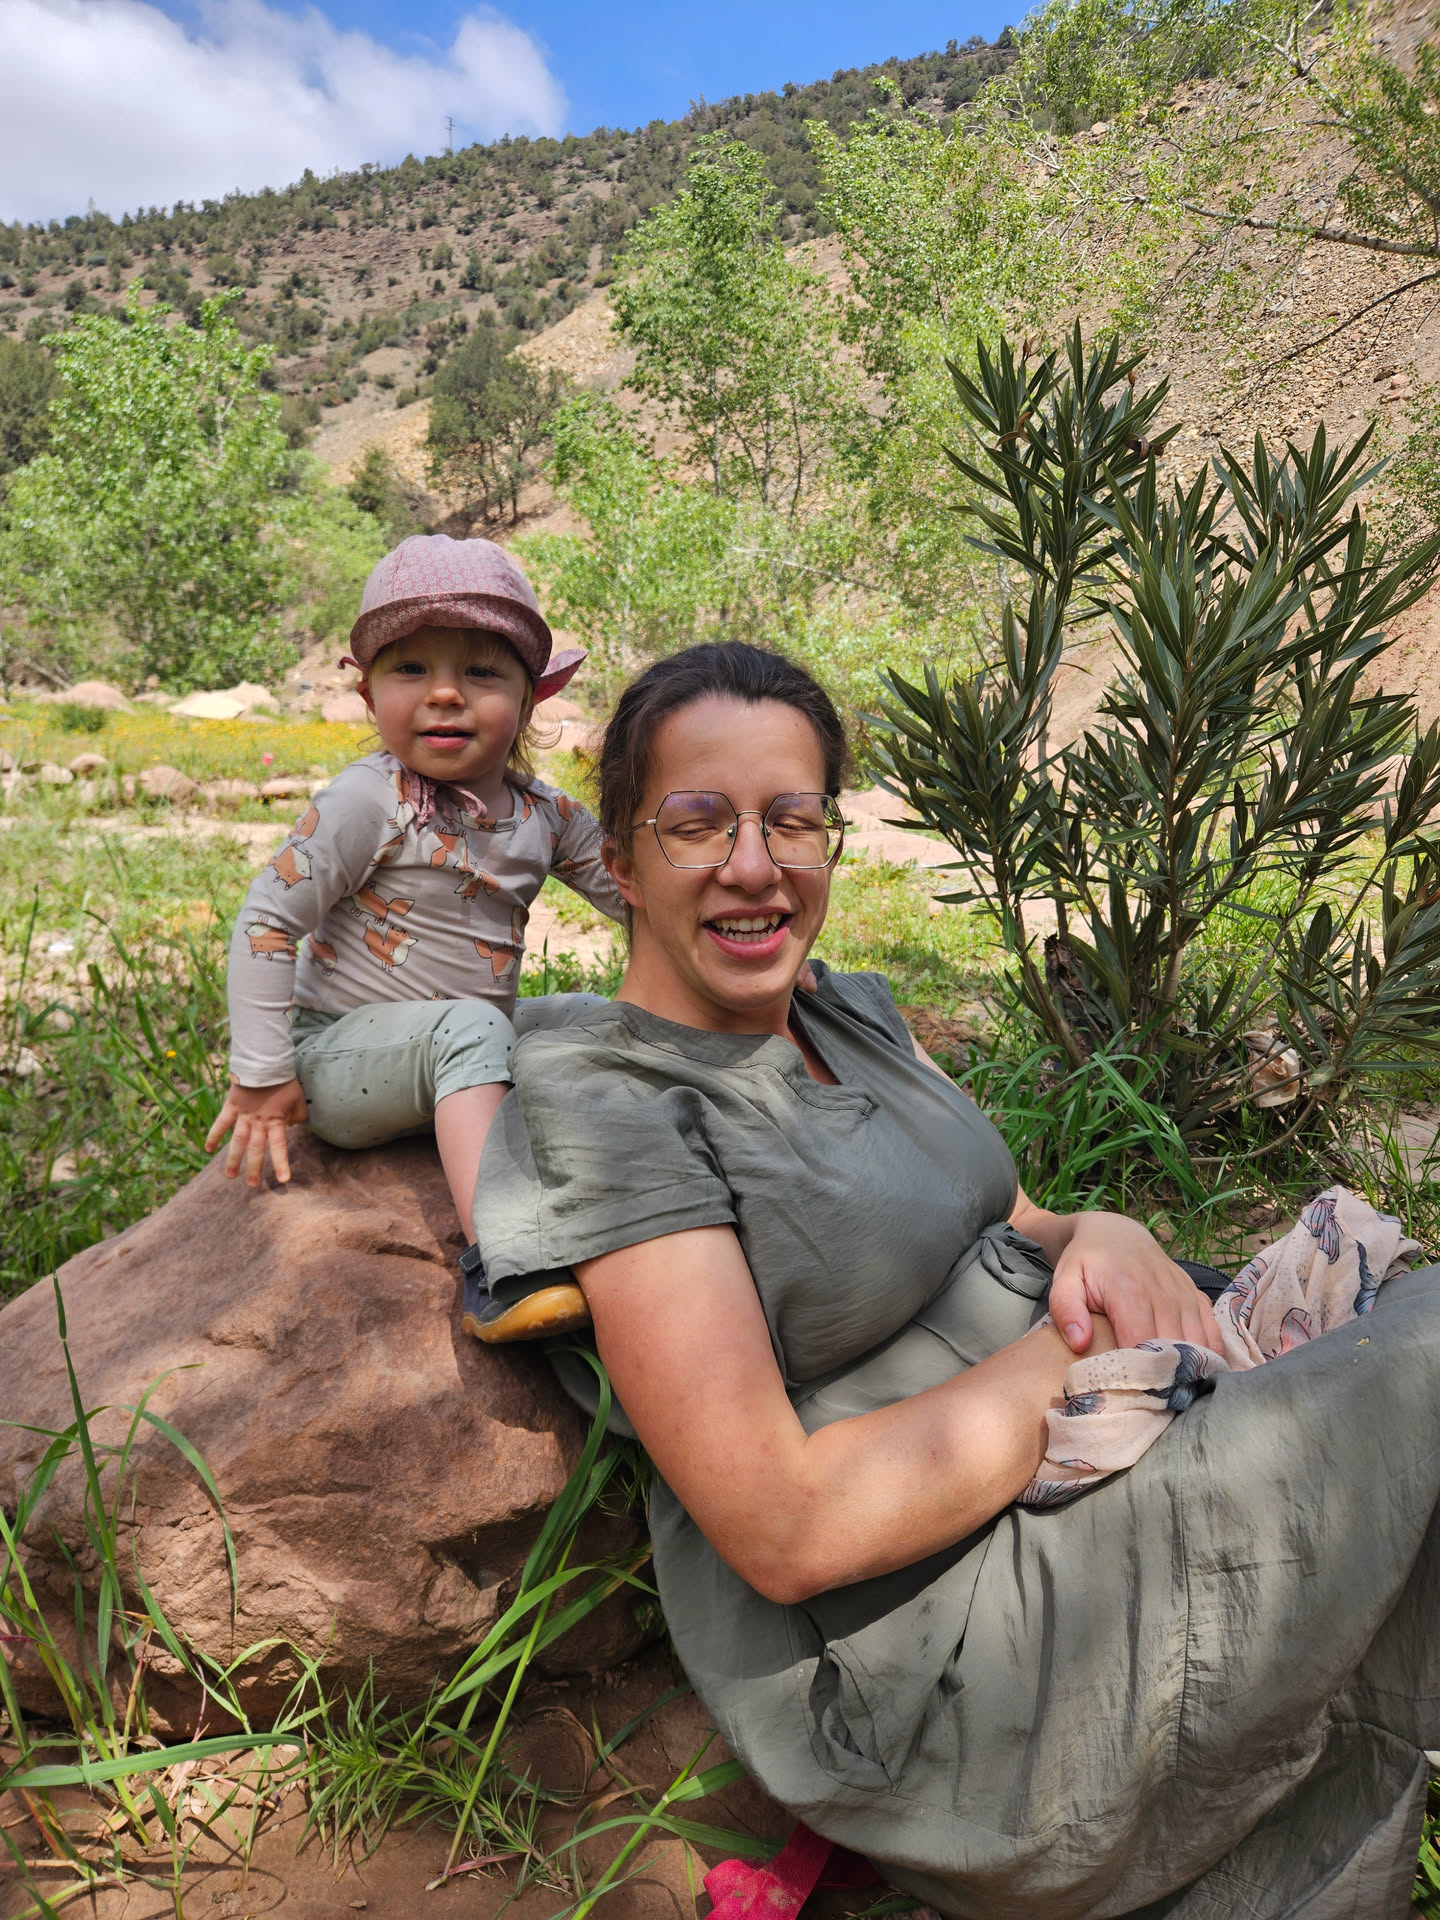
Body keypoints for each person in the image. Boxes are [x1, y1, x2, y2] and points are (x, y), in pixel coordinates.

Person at [474, 640, 1440, 1918]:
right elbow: (785, 1527)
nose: (755, 866)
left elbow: (1012, 1211)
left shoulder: (849, 1013)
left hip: (1096, 1455)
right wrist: (1080, 1355)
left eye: (792, 819)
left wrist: (1103, 1231)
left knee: (1406, 1311)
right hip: (959, 1646)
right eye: (698, 823)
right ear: (619, 860)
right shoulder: (620, 1105)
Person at [206, 534, 625, 1342]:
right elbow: (267, 920)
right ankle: (504, 1263)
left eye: (482, 672)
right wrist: (262, 1073)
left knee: (590, 1016)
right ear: (369, 697)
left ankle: (631, 1166)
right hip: (339, 1056)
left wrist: (741, 958)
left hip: (460, 1048)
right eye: (411, 669)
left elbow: (638, 896)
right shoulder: (370, 799)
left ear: (529, 700)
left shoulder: (545, 815)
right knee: (472, 1028)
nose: (444, 694)